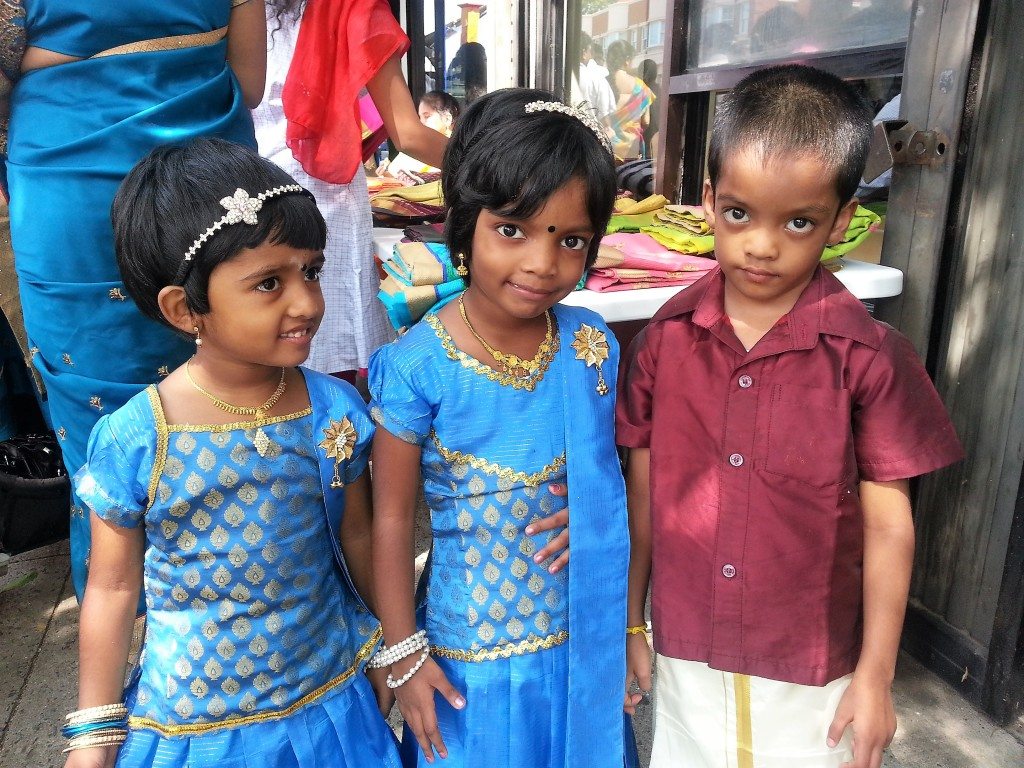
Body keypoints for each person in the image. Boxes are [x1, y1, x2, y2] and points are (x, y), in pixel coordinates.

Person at [617, 65, 963, 768]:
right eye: (740, 213)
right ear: (708, 201)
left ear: (841, 221)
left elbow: (889, 523)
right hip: (690, 653)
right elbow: (644, 492)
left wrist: (875, 676)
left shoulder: (868, 358)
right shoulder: (664, 342)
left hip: (812, 672)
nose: (763, 244)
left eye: (798, 221)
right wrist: (632, 622)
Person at [63, 139, 401, 768]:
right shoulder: (139, 439)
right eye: (269, 283)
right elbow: (111, 588)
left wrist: (390, 649)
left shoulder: (334, 413)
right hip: (197, 729)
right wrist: (95, 733)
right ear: (185, 308)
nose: (306, 302)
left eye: (311, 270)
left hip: (330, 703)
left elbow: (357, 533)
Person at [368, 88, 631, 767]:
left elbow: (606, 472)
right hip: (470, 662)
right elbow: (391, 521)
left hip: (579, 642)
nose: (543, 264)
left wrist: (595, 512)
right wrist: (403, 655)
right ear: (465, 221)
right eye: (512, 229)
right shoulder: (416, 365)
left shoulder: (589, 345)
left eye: (570, 240)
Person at [3, 0, 265, 602]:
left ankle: (127, 629)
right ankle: (244, 610)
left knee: (100, 415)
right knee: (231, 384)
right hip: (209, 181)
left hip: (69, 179)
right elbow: (249, 81)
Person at [254, 0, 448, 381]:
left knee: (257, 330)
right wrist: (501, 167)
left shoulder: (227, 10)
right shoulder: (353, 7)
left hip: (247, 192)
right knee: (329, 337)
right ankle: (336, 436)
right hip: (324, 198)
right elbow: (406, 133)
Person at [378, 90, 461, 179]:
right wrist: (387, 174)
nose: (421, 122)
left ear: (447, 119)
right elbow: (395, 172)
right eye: (420, 117)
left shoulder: (456, 151)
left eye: (427, 116)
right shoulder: (418, 145)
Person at [604, 40, 655, 158]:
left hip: (608, 147)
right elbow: (646, 121)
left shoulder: (603, 83)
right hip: (632, 149)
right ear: (627, 60)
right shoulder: (641, 87)